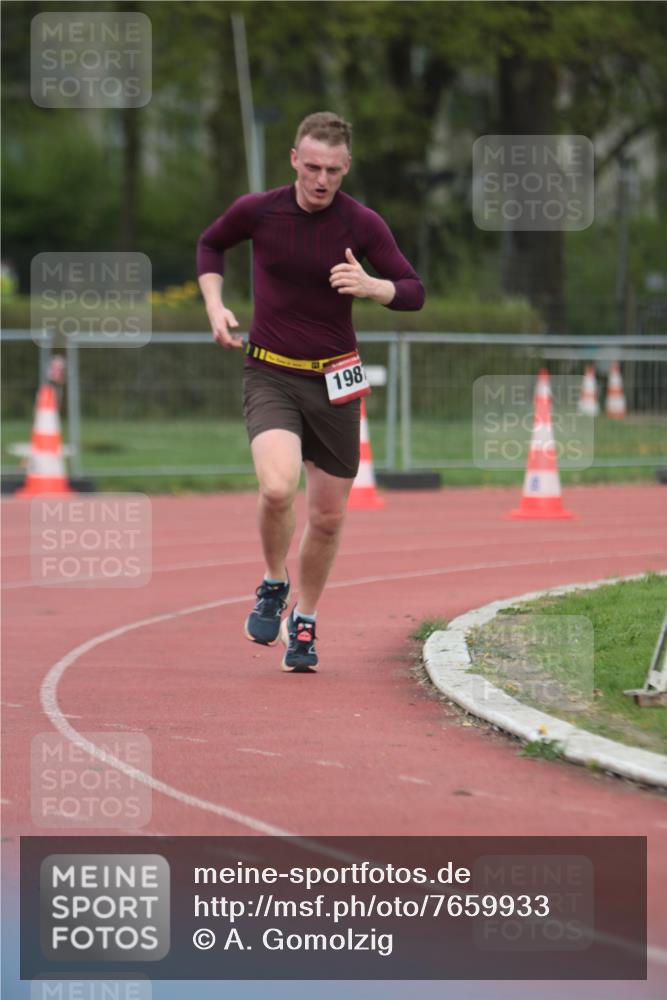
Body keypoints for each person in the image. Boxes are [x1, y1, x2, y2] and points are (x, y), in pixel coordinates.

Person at [197, 111, 424, 673]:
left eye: (333, 171)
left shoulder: (362, 224)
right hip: (271, 370)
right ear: (294, 159)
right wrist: (215, 305)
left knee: (326, 517)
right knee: (277, 489)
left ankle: (306, 618)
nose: (321, 180)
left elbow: (414, 291)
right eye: (312, 167)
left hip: (338, 378)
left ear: (347, 168)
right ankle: (274, 582)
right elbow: (210, 245)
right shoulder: (260, 210)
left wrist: (374, 287)